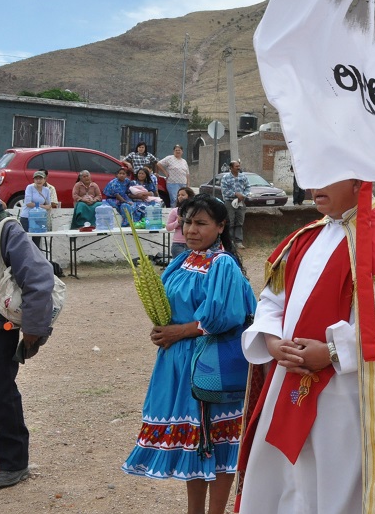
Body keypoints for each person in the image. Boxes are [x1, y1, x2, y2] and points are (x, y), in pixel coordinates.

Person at [235, 179, 375, 513]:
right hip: (287, 386)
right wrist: (272, 341)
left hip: (347, 395)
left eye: (327, 176)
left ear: (358, 179)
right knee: (286, 483)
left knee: (338, 488)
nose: (315, 185)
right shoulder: (305, 238)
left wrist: (330, 352)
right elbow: (272, 300)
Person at [122, 194, 257, 514]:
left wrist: (177, 332)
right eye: (187, 222)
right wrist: (163, 328)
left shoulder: (222, 263)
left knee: (218, 442)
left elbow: (225, 316)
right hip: (178, 364)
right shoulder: (183, 260)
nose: (192, 229)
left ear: (221, 226)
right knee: (196, 444)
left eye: (201, 223)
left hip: (209, 363)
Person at [0, 172, 56, 489]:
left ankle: (14, 464)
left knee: (1, 395)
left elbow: (39, 279)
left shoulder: (6, 228)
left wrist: (35, 331)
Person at [220, 161, 250, 249]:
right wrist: (235, 194)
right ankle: (230, 241)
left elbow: (248, 187)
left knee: (240, 221)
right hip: (229, 202)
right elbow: (224, 190)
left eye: (239, 166)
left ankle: (239, 241)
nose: (238, 167)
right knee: (230, 221)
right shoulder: (225, 177)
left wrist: (243, 195)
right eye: (236, 166)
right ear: (231, 167)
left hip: (241, 202)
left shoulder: (243, 177)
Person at [165, 186, 196, 257]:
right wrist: (177, 222)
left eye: (183, 195)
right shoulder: (175, 211)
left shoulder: (195, 211)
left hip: (192, 242)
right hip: (178, 244)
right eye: (178, 195)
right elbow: (168, 228)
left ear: (189, 196)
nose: (180, 197)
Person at [20, 170, 53, 237]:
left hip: (39, 217)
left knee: (37, 238)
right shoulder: (30, 187)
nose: (38, 180)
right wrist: (42, 206)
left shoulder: (46, 190)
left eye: (40, 178)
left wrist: (41, 206)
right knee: (26, 239)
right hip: (27, 216)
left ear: (44, 179)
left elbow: (49, 205)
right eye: (36, 178)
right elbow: (28, 203)